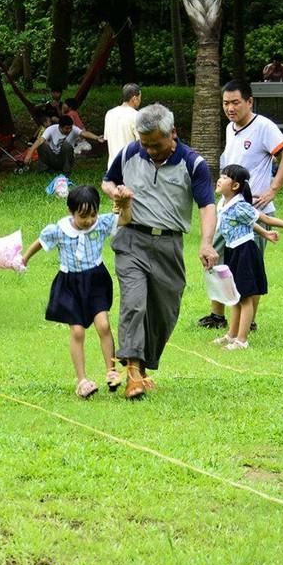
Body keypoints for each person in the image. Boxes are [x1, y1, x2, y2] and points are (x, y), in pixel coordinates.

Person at [102, 103, 218, 399]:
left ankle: (141, 366)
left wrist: (206, 242)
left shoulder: (193, 163)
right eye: (146, 144)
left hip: (169, 243)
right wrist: (115, 192)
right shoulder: (129, 153)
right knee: (134, 302)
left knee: (165, 310)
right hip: (131, 238)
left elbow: (206, 206)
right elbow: (108, 180)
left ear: (173, 133)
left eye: (156, 143)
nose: (150, 150)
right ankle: (132, 372)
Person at [198, 79, 283, 331]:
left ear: (249, 102)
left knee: (249, 268)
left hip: (253, 210)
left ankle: (247, 322)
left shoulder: (264, 127)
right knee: (217, 258)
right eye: (226, 103)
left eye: (235, 103)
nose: (230, 108)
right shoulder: (231, 128)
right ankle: (217, 314)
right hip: (227, 210)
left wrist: (273, 189)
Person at [21, 185, 132, 398]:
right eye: (83, 216)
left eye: (92, 214)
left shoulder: (100, 224)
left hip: (96, 280)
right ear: (71, 211)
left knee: (103, 324)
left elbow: (125, 219)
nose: (89, 220)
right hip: (70, 284)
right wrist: (24, 259)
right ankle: (82, 380)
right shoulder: (59, 230)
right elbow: (40, 242)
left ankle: (111, 371)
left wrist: (125, 205)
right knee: (78, 331)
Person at [211, 165, 283, 350]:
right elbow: (250, 224)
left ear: (235, 186)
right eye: (220, 176)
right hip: (232, 251)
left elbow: (265, 219)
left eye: (224, 177)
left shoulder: (240, 206)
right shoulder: (224, 202)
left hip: (245, 253)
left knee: (245, 298)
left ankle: (242, 340)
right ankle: (231, 335)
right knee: (235, 296)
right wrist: (265, 234)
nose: (219, 179)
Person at [22, 114, 103, 175]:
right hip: (53, 157)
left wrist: (96, 137)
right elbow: (40, 140)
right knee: (42, 145)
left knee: (66, 145)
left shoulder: (73, 129)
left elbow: (84, 133)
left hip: (66, 160)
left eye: (70, 128)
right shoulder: (51, 129)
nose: (69, 130)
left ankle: (66, 171)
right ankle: (44, 169)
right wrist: (29, 153)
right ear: (60, 127)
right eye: (67, 128)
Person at [103, 83, 141, 167]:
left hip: (112, 167)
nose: (140, 101)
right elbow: (142, 142)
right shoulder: (136, 115)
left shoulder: (109, 113)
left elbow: (107, 138)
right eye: (140, 98)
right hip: (130, 167)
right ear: (134, 98)